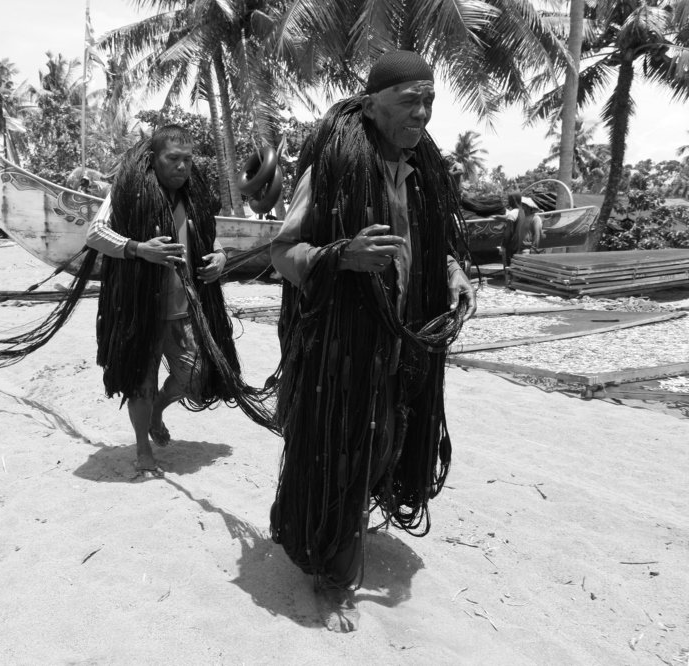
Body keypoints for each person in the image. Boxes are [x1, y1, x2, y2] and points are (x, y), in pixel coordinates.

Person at [269, 50, 476, 632]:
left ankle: (345, 530)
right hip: (345, 350)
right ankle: (330, 580)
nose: (424, 113)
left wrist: (454, 273)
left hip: (406, 346)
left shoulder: (423, 177)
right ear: (372, 102)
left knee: (386, 446)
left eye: (430, 100)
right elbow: (283, 253)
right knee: (341, 452)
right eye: (411, 101)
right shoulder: (333, 168)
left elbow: (434, 249)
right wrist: (342, 256)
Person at [86, 125, 229, 478]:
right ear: (154, 159)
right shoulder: (127, 192)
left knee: (194, 376)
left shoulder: (193, 198)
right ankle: (143, 452)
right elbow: (94, 233)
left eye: (187, 159)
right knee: (141, 381)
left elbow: (211, 239)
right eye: (173, 159)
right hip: (141, 312)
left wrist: (220, 257)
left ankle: (156, 413)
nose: (182, 167)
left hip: (182, 311)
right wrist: (138, 249)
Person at [498, 192, 543, 267]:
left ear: (528, 207)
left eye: (523, 206)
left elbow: (537, 235)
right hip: (520, 249)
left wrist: (533, 250)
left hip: (527, 250)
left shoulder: (535, 218)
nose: (521, 207)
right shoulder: (524, 218)